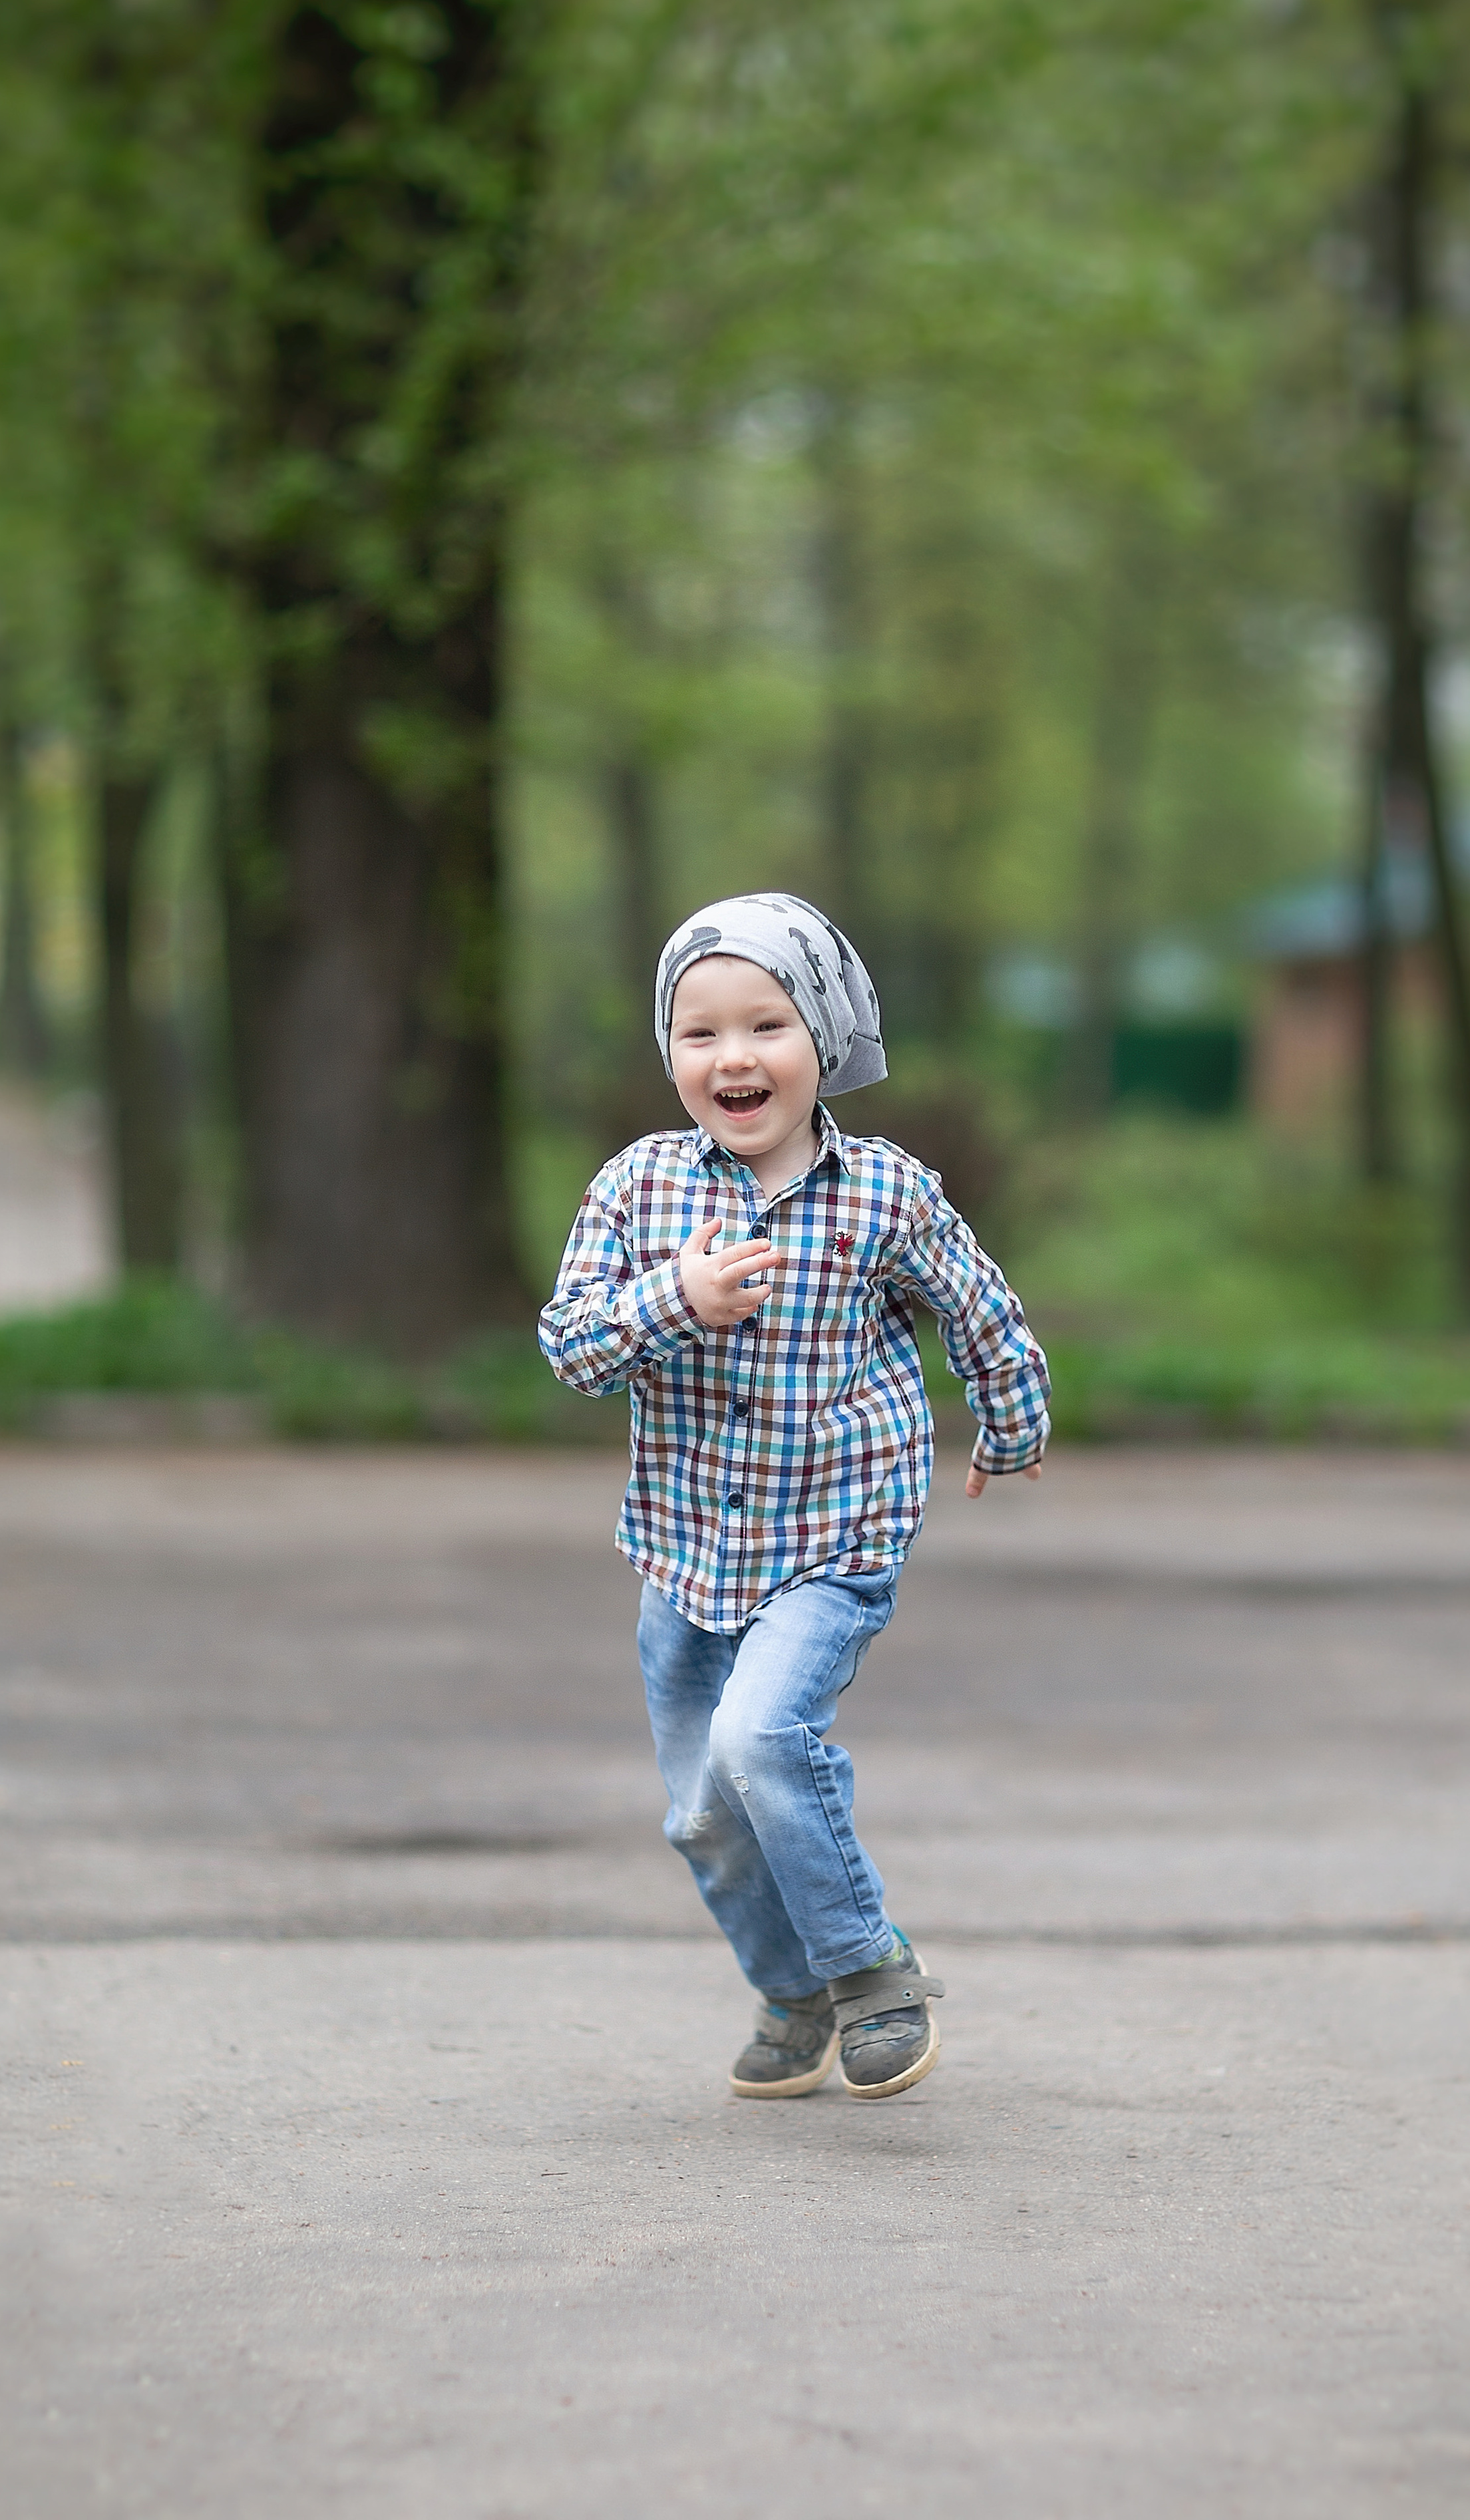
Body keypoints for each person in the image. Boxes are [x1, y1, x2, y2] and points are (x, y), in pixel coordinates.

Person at [538, 891, 1049, 2101]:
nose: (733, 1058)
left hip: (832, 1535)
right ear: (670, 1054)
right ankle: (792, 1990)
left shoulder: (885, 1194)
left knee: (764, 1741)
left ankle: (869, 1968)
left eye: (765, 1025)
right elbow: (571, 1348)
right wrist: (679, 1300)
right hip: (685, 1554)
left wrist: (1012, 1420)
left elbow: (980, 1308)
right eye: (699, 1033)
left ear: (824, 1038)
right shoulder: (637, 1188)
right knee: (705, 1815)